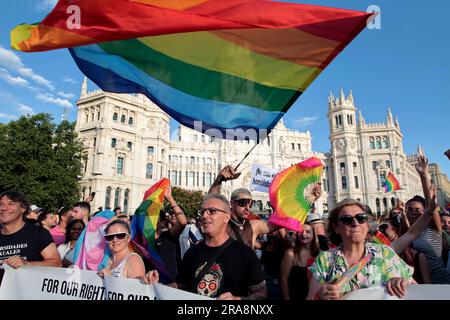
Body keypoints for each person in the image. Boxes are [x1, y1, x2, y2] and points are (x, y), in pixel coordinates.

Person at [144, 193, 267, 300]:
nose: (204, 216)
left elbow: (262, 293)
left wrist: (238, 299)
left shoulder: (244, 254)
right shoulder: (191, 253)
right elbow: (180, 286)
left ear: (226, 217)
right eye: (202, 211)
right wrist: (156, 285)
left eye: (212, 211)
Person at [306, 199, 413, 300]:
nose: (355, 223)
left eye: (361, 218)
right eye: (346, 219)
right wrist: (320, 295)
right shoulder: (325, 260)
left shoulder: (385, 253)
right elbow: (311, 298)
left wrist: (403, 284)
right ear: (336, 227)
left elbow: (415, 288)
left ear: (367, 225)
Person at [208, 165, 322, 249]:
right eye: (243, 202)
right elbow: (211, 202)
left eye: (250, 203)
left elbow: (280, 222)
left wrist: (309, 197)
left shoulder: (253, 226)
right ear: (232, 203)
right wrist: (219, 180)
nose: (247, 207)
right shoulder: (223, 223)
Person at [0, 191, 62, 284]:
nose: (4, 208)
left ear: (23, 208)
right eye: (1, 204)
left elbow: (57, 264)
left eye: (11, 204)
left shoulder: (38, 233)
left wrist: (27, 264)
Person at [407, 155, 450, 284]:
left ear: (425, 210)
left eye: (417, 209)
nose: (413, 212)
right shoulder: (407, 232)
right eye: (409, 209)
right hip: (418, 283)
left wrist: (424, 175)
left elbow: (431, 203)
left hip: (439, 281)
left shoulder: (433, 227)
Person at [154, 184, 188, 282]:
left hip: (170, 285)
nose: (152, 221)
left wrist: (169, 198)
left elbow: (183, 222)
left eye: (156, 218)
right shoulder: (144, 241)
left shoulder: (168, 236)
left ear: (162, 222)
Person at [280, 223, 319, 300]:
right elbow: (283, 279)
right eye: (300, 231)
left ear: (314, 235)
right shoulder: (290, 254)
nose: (303, 234)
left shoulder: (320, 254)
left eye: (308, 232)